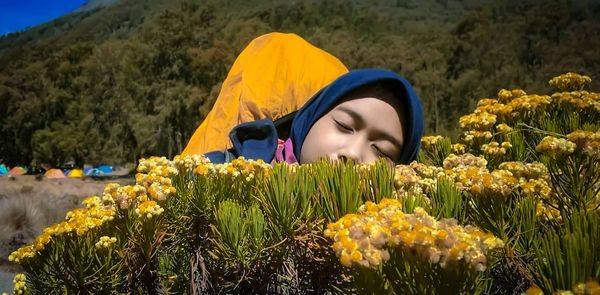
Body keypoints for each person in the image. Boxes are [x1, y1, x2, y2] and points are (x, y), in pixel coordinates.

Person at [182, 33, 423, 165]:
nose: (352, 153)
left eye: (382, 151)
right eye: (344, 126)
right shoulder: (211, 173)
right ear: (307, 120)